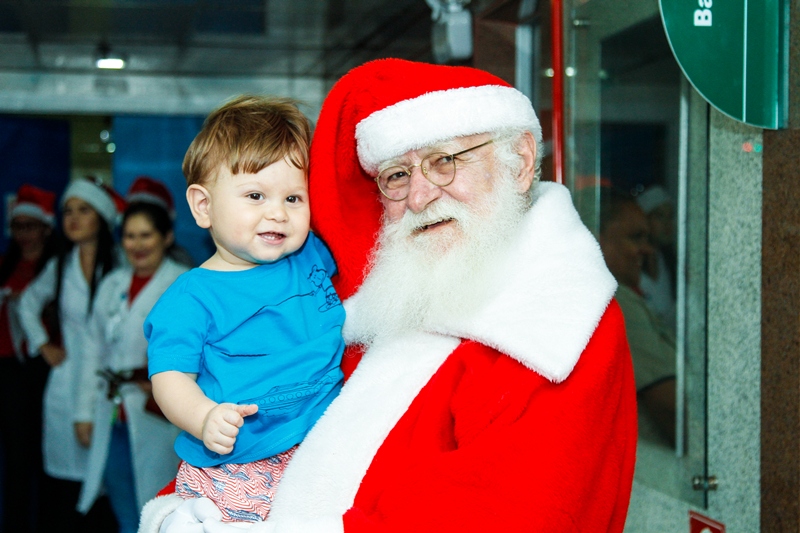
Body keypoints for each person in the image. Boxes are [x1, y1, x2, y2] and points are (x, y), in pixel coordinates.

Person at [140, 59, 637, 533]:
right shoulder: (390, 296)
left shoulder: (557, 327)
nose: (419, 196)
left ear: (521, 161)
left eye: (444, 162)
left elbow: (504, 518)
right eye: (397, 175)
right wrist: (180, 510)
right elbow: (264, 431)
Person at [144, 95, 345, 523]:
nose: (278, 212)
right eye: (255, 195)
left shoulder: (310, 253)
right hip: (238, 463)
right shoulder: (192, 296)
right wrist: (202, 417)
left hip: (324, 442)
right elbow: (169, 377)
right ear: (204, 206)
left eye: (294, 198)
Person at [73, 183, 190, 532]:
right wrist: (82, 412)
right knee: (123, 508)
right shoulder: (113, 283)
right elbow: (91, 349)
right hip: (113, 413)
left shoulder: (182, 283)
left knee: (159, 509)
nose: (137, 245)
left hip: (160, 414)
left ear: (167, 237)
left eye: (146, 236)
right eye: (129, 236)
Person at [18, 177, 123, 531]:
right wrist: (43, 345)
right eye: (67, 211)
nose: (73, 218)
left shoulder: (122, 265)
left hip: (109, 381)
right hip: (65, 380)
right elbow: (26, 304)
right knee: (63, 478)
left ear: (102, 217)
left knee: (108, 479)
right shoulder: (60, 265)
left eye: (84, 210)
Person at [0, 184, 61, 533]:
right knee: (16, 456)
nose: (24, 234)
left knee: (41, 454)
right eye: (17, 226)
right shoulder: (4, 266)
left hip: (41, 370)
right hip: (6, 369)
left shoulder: (55, 268)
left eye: (30, 225)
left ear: (45, 228)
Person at [598, 187, 676, 446]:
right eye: (635, 238)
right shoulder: (618, 303)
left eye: (647, 239)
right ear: (596, 238)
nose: (647, 250)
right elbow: (669, 405)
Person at [637, 185, 677, 332]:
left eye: (670, 216)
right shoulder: (630, 262)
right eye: (659, 216)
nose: (667, 224)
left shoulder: (670, 263)